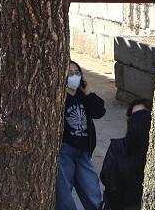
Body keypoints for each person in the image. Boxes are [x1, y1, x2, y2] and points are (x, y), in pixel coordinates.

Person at [57, 60, 106, 210]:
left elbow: (99, 112)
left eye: (77, 73)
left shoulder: (83, 96)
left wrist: (88, 93)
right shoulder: (59, 98)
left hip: (84, 152)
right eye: (70, 73)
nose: (74, 76)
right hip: (65, 151)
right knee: (63, 193)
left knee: (92, 190)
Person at [100, 99, 150, 210]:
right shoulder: (118, 148)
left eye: (141, 116)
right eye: (133, 117)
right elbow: (106, 178)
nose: (136, 122)